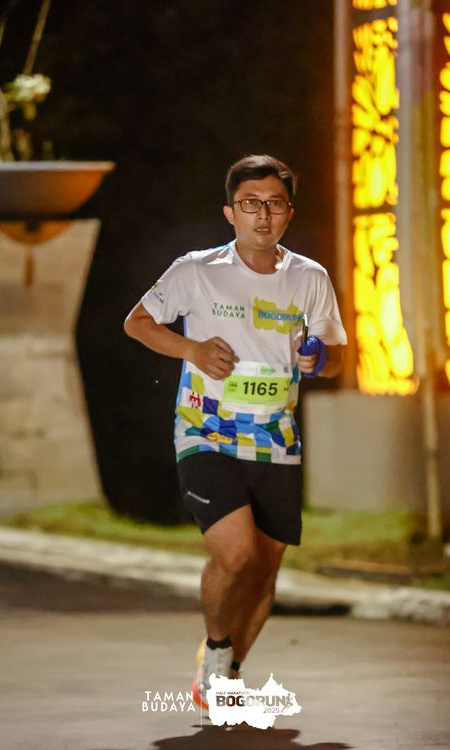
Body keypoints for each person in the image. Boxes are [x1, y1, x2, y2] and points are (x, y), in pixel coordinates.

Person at [124, 154, 347, 709]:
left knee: (265, 571)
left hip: (276, 440)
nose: (262, 215)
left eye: (274, 204)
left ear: (289, 213)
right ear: (230, 212)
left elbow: (338, 356)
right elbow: (138, 323)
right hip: (206, 431)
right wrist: (192, 349)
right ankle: (217, 648)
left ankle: (227, 674)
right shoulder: (195, 270)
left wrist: (321, 358)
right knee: (237, 552)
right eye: (250, 204)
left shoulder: (310, 278)